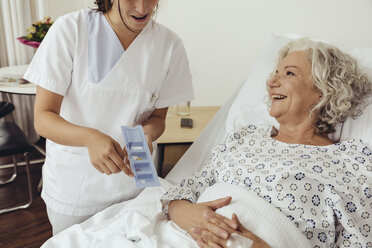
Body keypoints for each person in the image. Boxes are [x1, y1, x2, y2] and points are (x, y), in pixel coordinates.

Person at [161, 38, 372, 248]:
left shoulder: (350, 163)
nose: (271, 82)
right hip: (183, 238)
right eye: (275, 73)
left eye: (289, 73)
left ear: (323, 91)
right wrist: (186, 214)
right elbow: (187, 189)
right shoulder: (244, 138)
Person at [23, 0, 194, 235]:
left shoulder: (169, 45)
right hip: (76, 189)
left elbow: (158, 118)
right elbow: (43, 118)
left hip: (134, 190)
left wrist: (148, 133)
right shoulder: (71, 30)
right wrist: (88, 138)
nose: (143, 8)